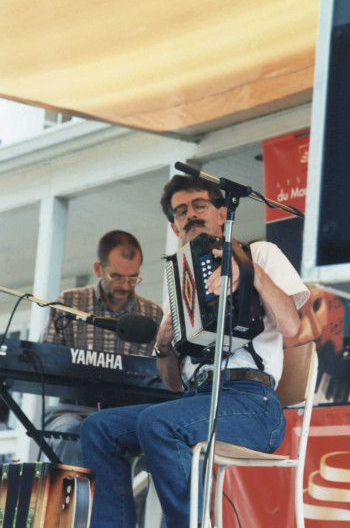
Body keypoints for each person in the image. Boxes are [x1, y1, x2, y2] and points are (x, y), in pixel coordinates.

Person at [80, 176, 310, 527]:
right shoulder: (180, 281)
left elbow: (293, 330)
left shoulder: (260, 253)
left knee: (157, 423)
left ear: (221, 213)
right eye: (181, 211)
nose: (190, 215)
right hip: (197, 401)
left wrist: (250, 272)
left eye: (199, 205)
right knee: (98, 427)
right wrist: (163, 343)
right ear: (174, 226)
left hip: (253, 404)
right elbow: (173, 383)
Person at [40, 230, 163, 466]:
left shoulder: (152, 314)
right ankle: (78, 503)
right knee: (73, 435)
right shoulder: (69, 303)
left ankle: (124, 504)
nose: (126, 286)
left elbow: (157, 375)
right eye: (117, 277)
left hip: (128, 415)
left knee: (152, 445)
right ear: (98, 269)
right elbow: (47, 362)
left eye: (133, 278)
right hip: (72, 410)